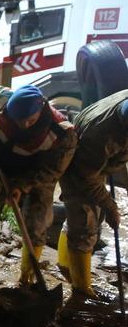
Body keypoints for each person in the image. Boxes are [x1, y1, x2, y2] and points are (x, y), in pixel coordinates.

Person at [0, 84, 77, 284]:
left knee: (37, 222)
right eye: (18, 120)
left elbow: (52, 172)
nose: (24, 125)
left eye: (30, 120)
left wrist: (22, 187)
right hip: (5, 164)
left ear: (42, 107)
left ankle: (27, 276)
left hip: (38, 175)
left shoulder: (63, 133)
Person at [57, 90, 128, 297]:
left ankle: (65, 263)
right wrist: (110, 205)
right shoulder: (102, 136)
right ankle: (81, 289)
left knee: (90, 218)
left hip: (97, 162)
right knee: (85, 221)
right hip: (77, 166)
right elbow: (88, 177)